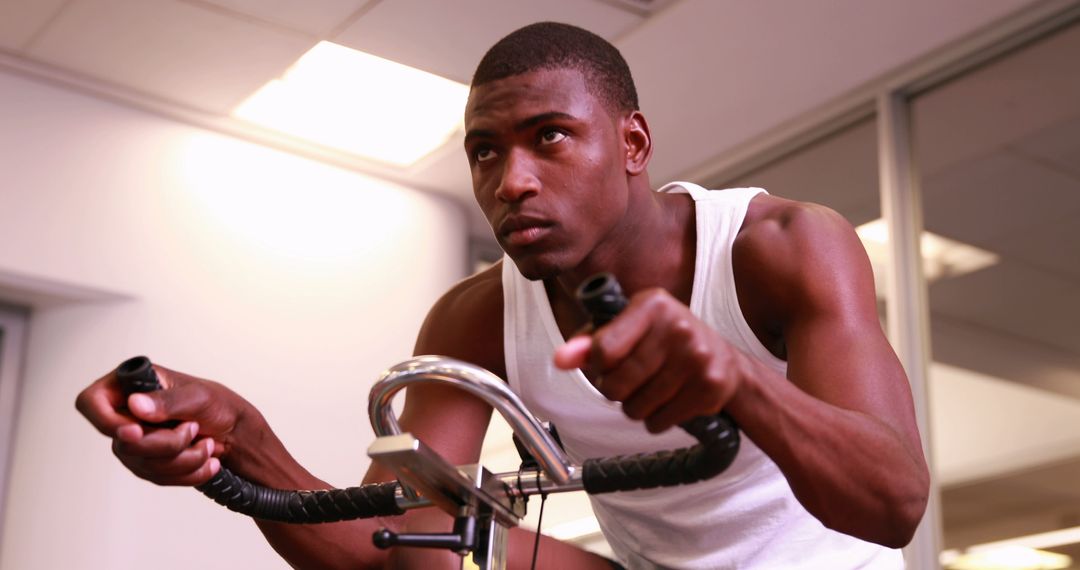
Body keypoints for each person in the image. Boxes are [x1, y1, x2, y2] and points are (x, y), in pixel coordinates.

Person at [76, 22, 929, 569]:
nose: (511, 180)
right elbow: (403, 552)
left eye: (548, 138)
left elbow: (893, 503)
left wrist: (740, 385)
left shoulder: (777, 247)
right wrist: (239, 445)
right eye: (485, 152)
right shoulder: (474, 319)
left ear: (632, 142)